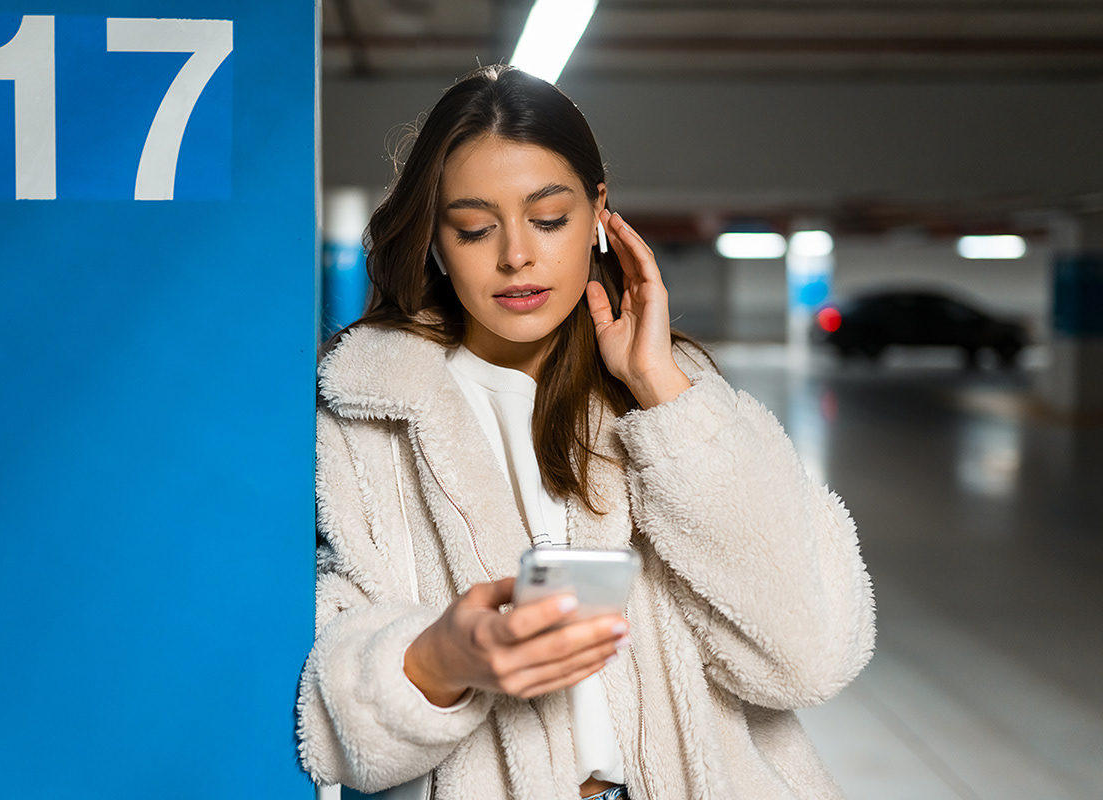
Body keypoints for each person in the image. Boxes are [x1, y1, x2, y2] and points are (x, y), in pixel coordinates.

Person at [297, 65, 875, 800]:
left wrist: (664, 394)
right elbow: (327, 715)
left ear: (600, 213)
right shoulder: (364, 414)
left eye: (548, 218)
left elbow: (809, 655)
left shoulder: (676, 399)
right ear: (436, 240)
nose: (516, 255)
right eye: (474, 227)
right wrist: (439, 662)